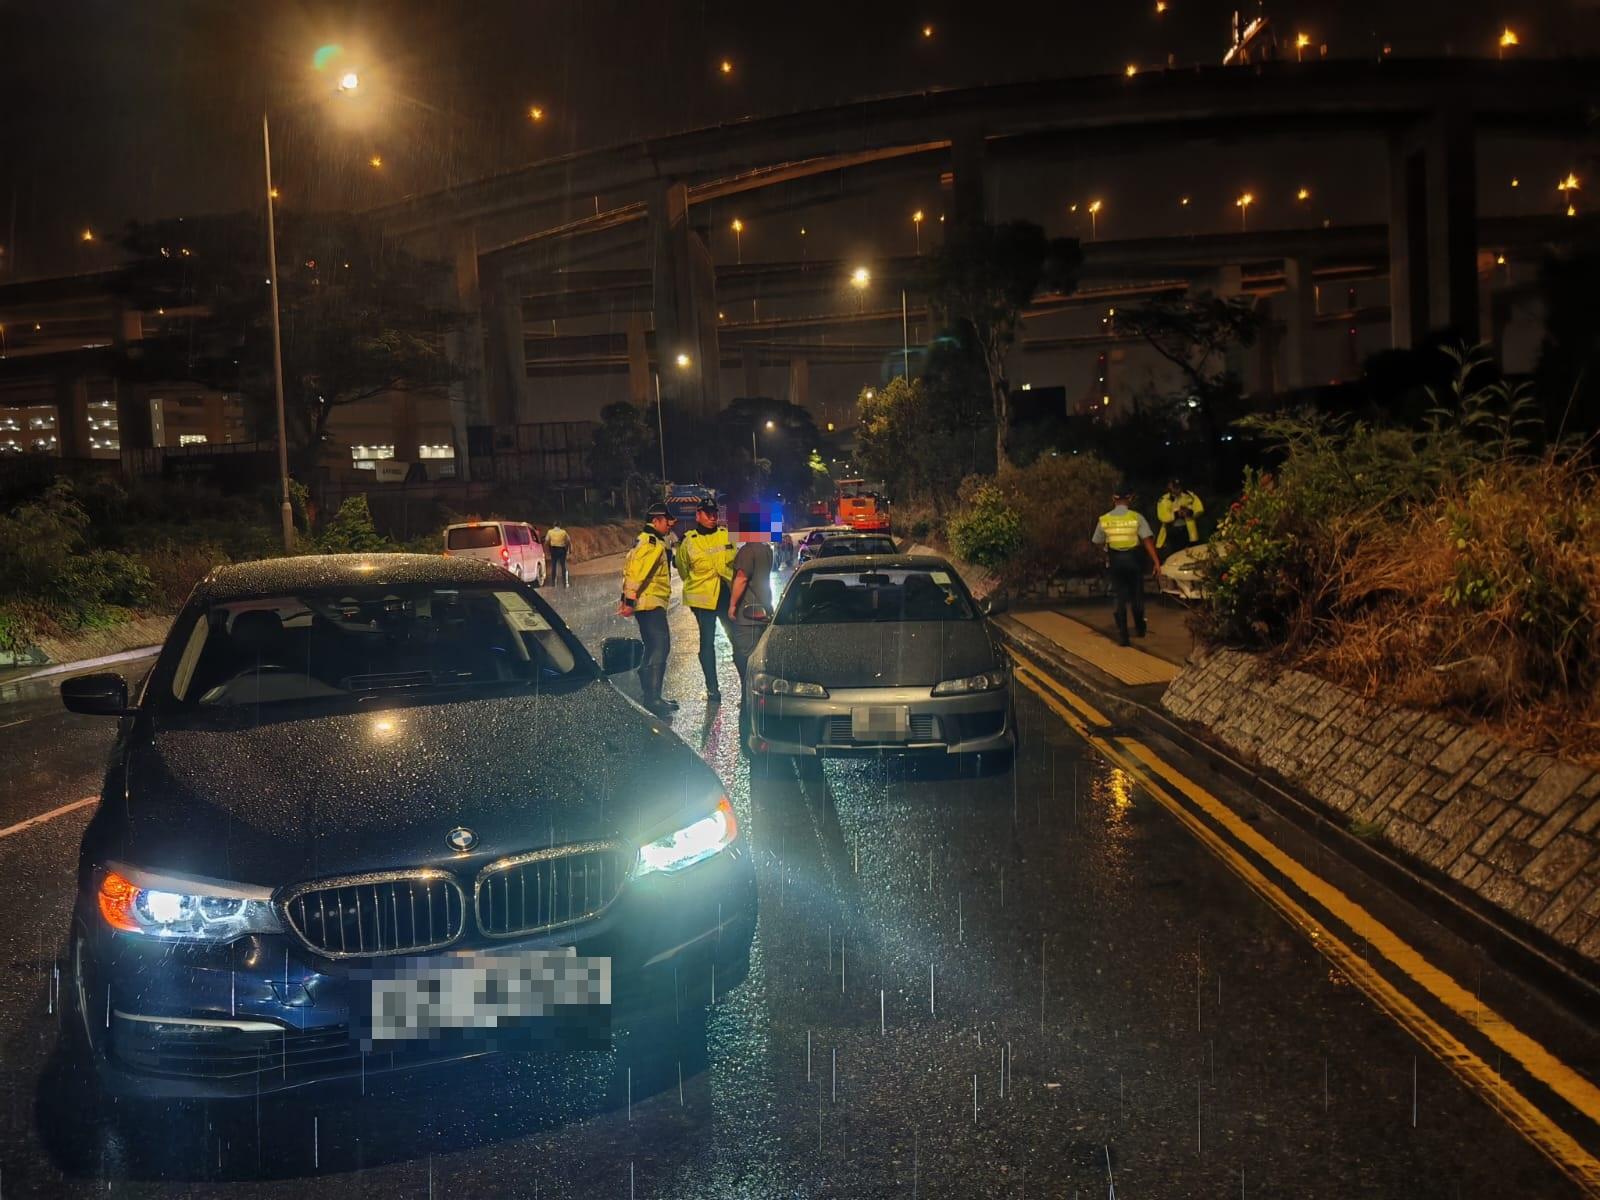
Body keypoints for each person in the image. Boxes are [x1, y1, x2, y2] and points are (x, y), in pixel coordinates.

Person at [675, 497, 737, 703]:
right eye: (708, 513)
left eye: (714, 513)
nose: (712, 517)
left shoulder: (726, 535)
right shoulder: (689, 541)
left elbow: (736, 563)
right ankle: (712, 689)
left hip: (726, 596)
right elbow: (683, 570)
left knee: (737, 642)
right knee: (707, 645)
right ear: (698, 515)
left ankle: (747, 689)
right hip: (702, 601)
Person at [618, 503, 678, 715]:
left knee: (654, 646)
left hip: (649, 603)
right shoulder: (652, 543)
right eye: (666, 520)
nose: (670, 524)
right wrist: (629, 601)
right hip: (650, 604)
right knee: (660, 646)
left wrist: (627, 598)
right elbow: (637, 573)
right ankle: (652, 699)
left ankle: (652, 694)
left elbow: (630, 569)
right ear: (656, 521)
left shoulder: (645, 540)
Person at [1092, 484, 1162, 647]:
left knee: (1119, 596)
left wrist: (1105, 554)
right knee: (1137, 595)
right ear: (1130, 498)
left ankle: (1123, 635)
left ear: (1113, 499)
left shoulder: (1104, 519)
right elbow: (1147, 541)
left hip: (1116, 561)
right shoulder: (1136, 517)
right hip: (1133, 559)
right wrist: (1156, 562)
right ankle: (1139, 627)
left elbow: (1097, 541)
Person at [726, 510, 775, 735]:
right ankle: (761, 702)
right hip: (764, 612)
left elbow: (742, 578)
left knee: (744, 661)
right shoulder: (766, 549)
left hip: (747, 614)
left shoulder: (747, 551)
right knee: (759, 660)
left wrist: (732, 606)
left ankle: (749, 707)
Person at [1156, 479, 1204, 551]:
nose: (1177, 489)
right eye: (1174, 487)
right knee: (1175, 554)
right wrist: (1177, 514)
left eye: (1178, 486)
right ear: (1169, 488)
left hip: (1189, 531)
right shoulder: (1164, 499)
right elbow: (1162, 516)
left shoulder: (1189, 495)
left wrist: (1190, 512)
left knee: (1192, 552)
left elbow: (1199, 508)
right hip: (1172, 531)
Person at [544, 521, 571, 586]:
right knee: (563, 566)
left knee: (554, 566)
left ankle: (554, 582)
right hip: (562, 550)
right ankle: (565, 582)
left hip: (553, 550)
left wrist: (546, 550)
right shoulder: (563, 532)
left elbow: (546, 541)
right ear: (560, 525)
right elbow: (568, 541)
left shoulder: (550, 532)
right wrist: (569, 549)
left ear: (554, 525)